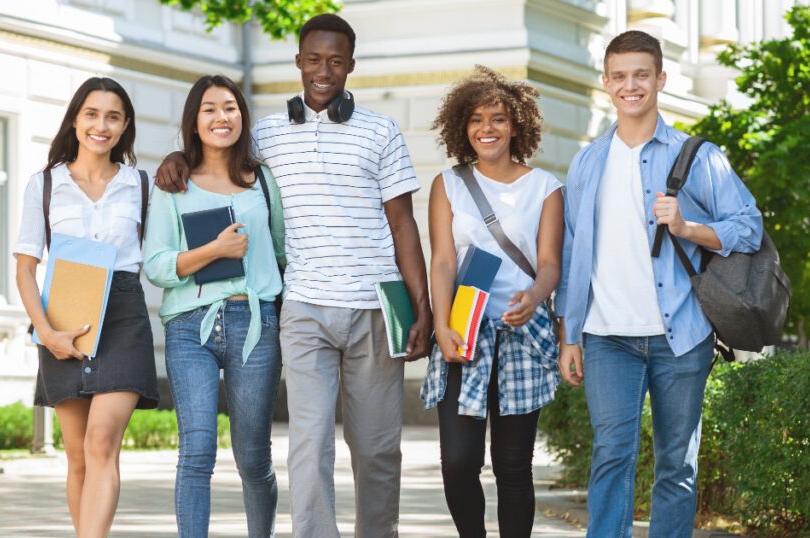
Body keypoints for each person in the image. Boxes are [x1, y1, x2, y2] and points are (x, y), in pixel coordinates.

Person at [154, 14, 433, 538]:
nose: (323, 70)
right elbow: (215, 154)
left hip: (374, 304)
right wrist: (177, 157)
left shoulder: (382, 131)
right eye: (313, 59)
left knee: (376, 449)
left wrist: (422, 310)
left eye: (335, 61)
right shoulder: (265, 137)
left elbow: (404, 225)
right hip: (303, 307)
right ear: (298, 61)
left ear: (350, 65)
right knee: (309, 445)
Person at [555, 30, 763, 537]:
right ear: (606, 82)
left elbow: (749, 225)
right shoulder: (587, 161)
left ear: (660, 79)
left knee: (677, 465)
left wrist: (689, 227)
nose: (631, 86)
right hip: (607, 338)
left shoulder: (698, 155)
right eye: (620, 76)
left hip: (682, 336)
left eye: (641, 75)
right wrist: (569, 334)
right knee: (611, 457)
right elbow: (572, 251)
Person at [422, 66, 563, 538]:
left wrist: (535, 296)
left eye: (499, 118)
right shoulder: (449, 184)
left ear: (517, 125)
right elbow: (442, 261)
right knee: (459, 461)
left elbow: (549, 265)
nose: (487, 128)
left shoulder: (545, 187)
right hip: (464, 330)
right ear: (463, 126)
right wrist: (441, 324)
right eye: (477, 119)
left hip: (521, 334)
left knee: (513, 467)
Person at [14, 77, 159, 538]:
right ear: (76, 119)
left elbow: (158, 256)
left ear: (125, 126)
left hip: (123, 315)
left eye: (112, 116)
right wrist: (46, 332)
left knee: (102, 443)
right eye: (92, 114)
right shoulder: (44, 185)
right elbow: (24, 269)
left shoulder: (142, 185)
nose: (101, 125)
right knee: (76, 455)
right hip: (61, 319)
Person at [143, 75, 284, 538]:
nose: (221, 117)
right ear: (194, 120)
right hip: (190, 327)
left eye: (229, 107)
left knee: (254, 458)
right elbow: (158, 266)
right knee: (197, 450)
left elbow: (282, 252)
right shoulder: (174, 183)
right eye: (209, 109)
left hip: (256, 324)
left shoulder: (263, 181)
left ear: (242, 117)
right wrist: (214, 252)